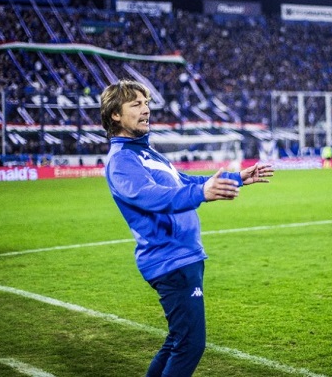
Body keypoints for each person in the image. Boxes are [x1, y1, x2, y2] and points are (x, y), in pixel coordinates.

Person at [100, 80, 274, 376]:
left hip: (183, 256)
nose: (146, 110)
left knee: (177, 340)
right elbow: (152, 196)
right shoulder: (122, 161)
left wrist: (238, 178)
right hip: (170, 260)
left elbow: (185, 182)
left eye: (146, 103)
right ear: (115, 114)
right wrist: (202, 194)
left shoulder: (147, 153)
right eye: (136, 104)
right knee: (191, 344)